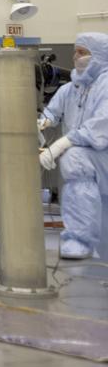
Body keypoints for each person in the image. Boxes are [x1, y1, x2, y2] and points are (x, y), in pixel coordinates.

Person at [39, 32, 108, 259]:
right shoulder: (71, 88)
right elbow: (52, 113)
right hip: (89, 165)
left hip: (101, 155)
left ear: (98, 55)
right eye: (75, 52)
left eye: (82, 52)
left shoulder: (105, 85)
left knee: (74, 157)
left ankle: (80, 239)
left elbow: (100, 127)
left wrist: (61, 145)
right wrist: (41, 124)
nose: (76, 57)